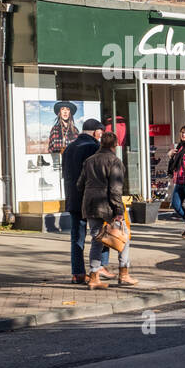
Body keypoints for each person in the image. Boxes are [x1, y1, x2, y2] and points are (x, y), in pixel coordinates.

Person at [76, 132, 137, 289]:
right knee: (124, 238)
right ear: (115, 144)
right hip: (107, 205)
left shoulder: (89, 161)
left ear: (101, 143)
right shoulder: (115, 161)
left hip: (90, 204)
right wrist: (118, 211)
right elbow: (116, 189)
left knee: (97, 240)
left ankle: (94, 277)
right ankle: (124, 274)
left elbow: (79, 184)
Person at [62, 118, 110, 284]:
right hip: (92, 200)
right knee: (102, 233)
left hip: (73, 199)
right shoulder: (94, 147)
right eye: (101, 132)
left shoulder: (69, 148)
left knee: (77, 237)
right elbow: (99, 175)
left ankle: (78, 273)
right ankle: (101, 266)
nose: (101, 136)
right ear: (97, 132)